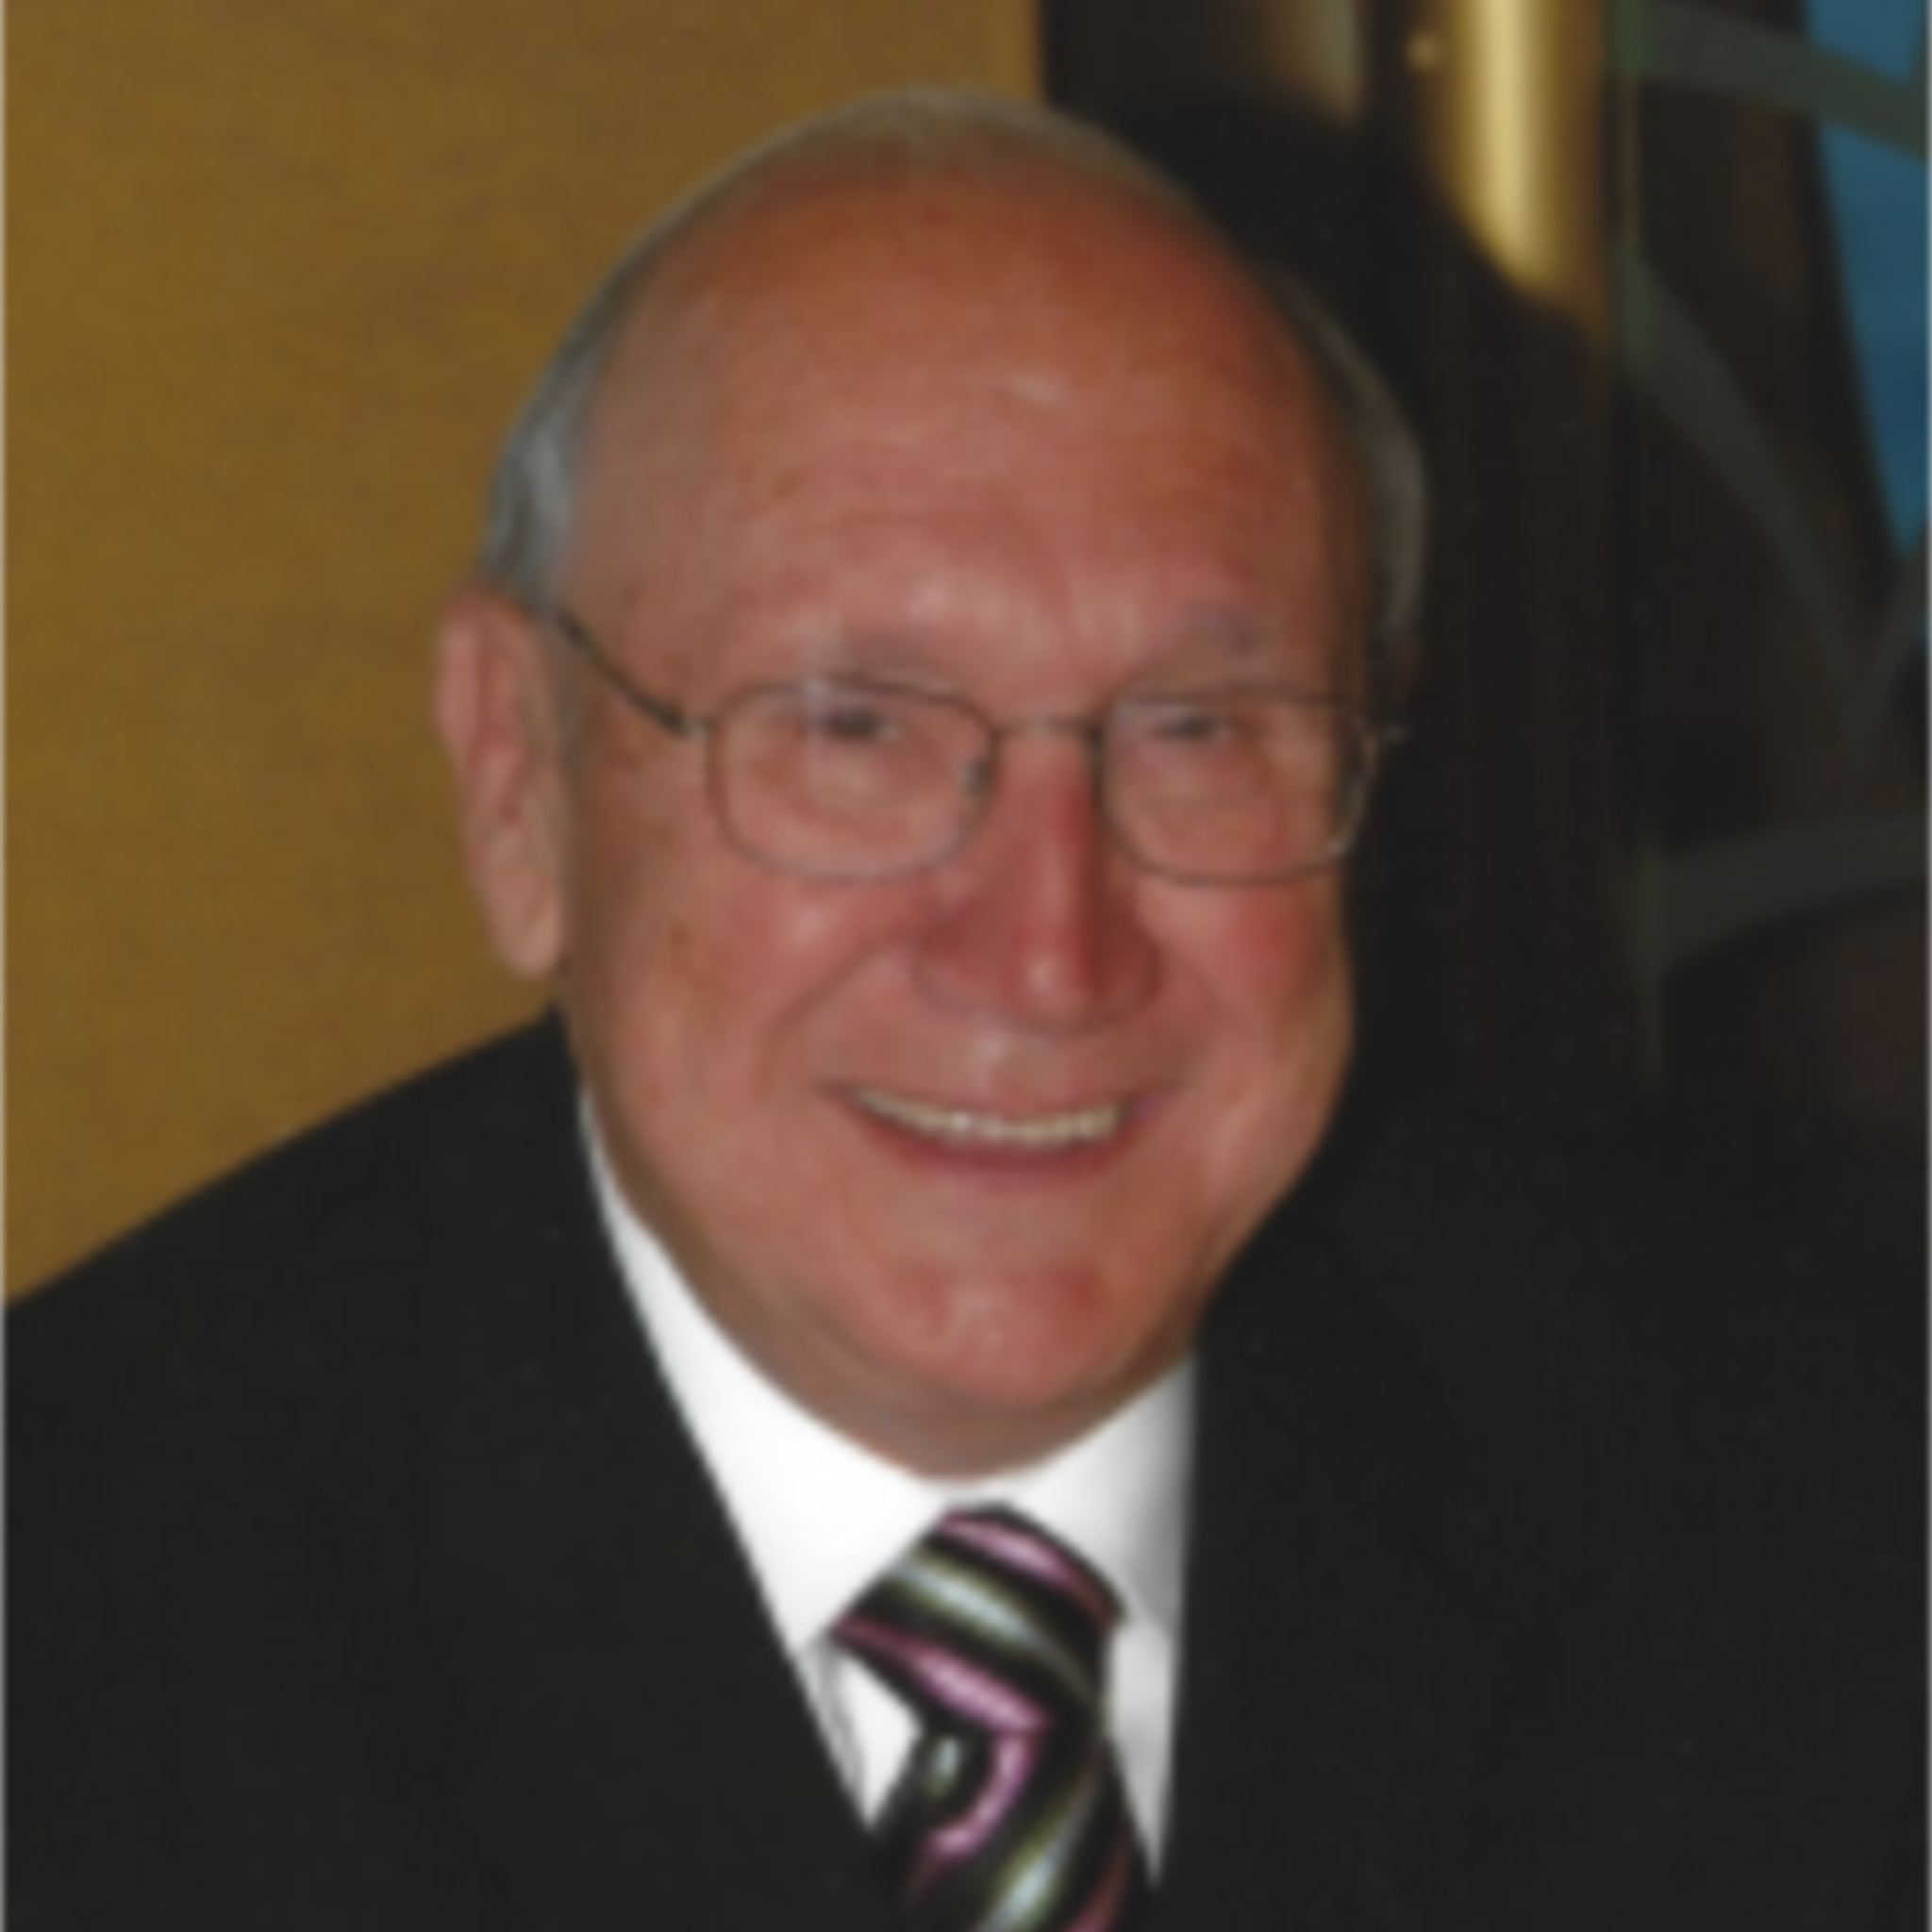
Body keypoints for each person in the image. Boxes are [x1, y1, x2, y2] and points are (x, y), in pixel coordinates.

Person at [6, 91, 1921, 1932]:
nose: (1048, 952)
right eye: (854, 728)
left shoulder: (1818, 1522)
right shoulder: (76, 1637)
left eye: (1197, 732)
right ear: (519, 780)